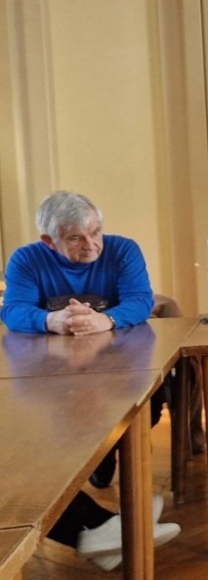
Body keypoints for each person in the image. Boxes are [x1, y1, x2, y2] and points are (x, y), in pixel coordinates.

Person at [0, 190, 180, 571]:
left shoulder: (122, 249)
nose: (92, 244)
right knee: (30, 445)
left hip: (121, 367)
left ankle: (106, 526)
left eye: (95, 232)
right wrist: (51, 320)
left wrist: (105, 319)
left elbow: (140, 300)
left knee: (141, 410)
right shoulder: (26, 259)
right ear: (49, 241)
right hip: (50, 376)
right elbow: (13, 311)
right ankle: (109, 529)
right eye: (76, 238)